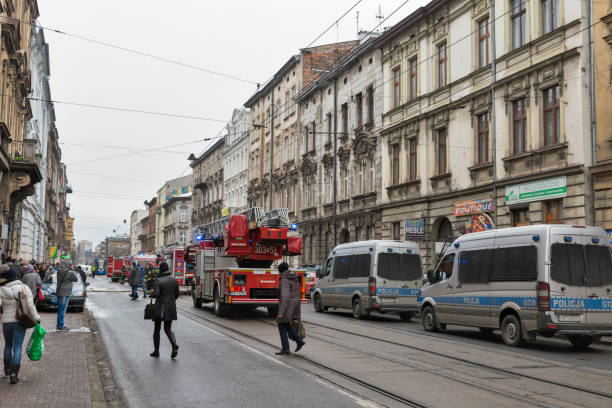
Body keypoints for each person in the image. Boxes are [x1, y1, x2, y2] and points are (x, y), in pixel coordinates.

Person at [0, 265, 41, 384]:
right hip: (20, 322)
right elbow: (30, 306)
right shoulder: (23, 288)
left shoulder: (1, 289)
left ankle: (7, 369)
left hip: (6, 322)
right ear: (16, 277)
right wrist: (37, 318)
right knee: (17, 347)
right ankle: (14, 374)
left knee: (8, 345)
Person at [150, 262, 179, 359]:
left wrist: (152, 294)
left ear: (160, 270)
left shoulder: (158, 280)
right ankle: (174, 344)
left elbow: (157, 294)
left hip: (160, 307)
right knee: (168, 329)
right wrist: (171, 301)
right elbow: (177, 294)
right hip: (171, 307)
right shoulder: (174, 280)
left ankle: (156, 351)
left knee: (157, 330)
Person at [275, 262, 305, 355]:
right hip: (295, 305)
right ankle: (299, 341)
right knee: (286, 325)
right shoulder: (294, 277)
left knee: (281, 325)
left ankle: (286, 348)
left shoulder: (284, 279)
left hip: (287, 306)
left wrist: (281, 311)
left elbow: (285, 296)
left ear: (280, 271)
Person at [55, 263, 78, 331]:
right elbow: (75, 279)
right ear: (69, 265)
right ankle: (60, 326)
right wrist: (73, 270)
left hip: (60, 292)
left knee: (60, 309)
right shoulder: (70, 272)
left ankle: (59, 324)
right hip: (65, 293)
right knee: (62, 310)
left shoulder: (59, 271)